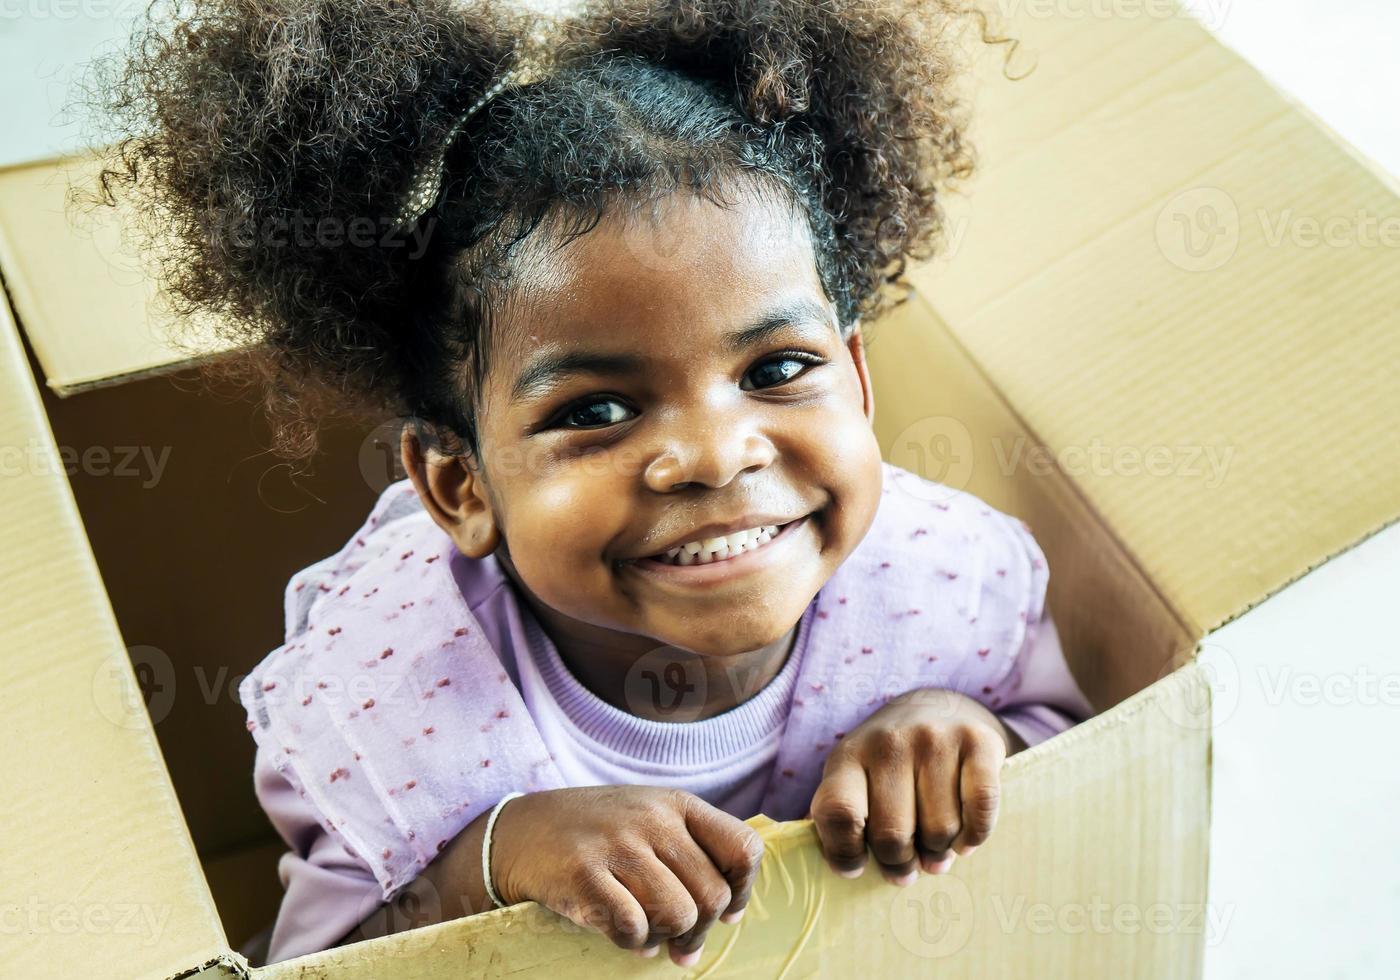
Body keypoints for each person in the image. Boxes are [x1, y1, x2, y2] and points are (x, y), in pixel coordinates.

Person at [94, 0, 1091, 966]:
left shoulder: (935, 580)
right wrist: (489, 862)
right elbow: (322, 961)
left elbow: (1083, 739)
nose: (713, 454)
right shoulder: (384, 694)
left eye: (776, 371)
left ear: (861, 378)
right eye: (595, 410)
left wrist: (968, 731)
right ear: (459, 487)